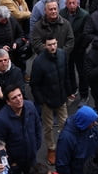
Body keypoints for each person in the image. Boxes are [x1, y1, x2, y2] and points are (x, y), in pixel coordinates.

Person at [28, 35, 71, 166]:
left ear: (57, 42)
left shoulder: (62, 54)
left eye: (54, 44)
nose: (52, 47)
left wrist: (69, 91)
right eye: (49, 45)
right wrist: (41, 101)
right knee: (48, 127)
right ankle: (51, 148)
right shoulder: (39, 62)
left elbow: (67, 74)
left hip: (61, 96)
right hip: (47, 100)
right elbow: (34, 84)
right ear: (44, 46)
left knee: (65, 123)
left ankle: (64, 146)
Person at [0, 85, 43, 174]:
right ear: (8, 102)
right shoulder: (1, 119)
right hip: (15, 164)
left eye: (19, 95)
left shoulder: (30, 106)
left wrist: (35, 147)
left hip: (31, 158)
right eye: (14, 98)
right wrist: (10, 162)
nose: (19, 99)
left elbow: (38, 127)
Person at [55, 105, 98, 174]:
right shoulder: (66, 138)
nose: (95, 123)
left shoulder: (92, 127)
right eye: (92, 122)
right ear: (84, 123)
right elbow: (62, 164)